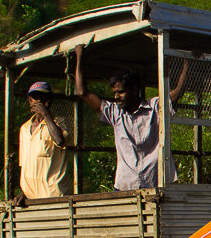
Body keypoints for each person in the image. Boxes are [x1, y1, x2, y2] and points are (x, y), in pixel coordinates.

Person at [73, 44, 190, 191]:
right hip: (125, 186)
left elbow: (178, 92)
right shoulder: (114, 113)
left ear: (134, 90)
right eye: (115, 93)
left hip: (157, 185)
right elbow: (82, 92)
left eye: (121, 92)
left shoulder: (154, 108)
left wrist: (187, 60)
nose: (116, 97)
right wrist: (79, 56)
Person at [17, 81, 70, 201]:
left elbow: (60, 141)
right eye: (35, 98)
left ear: (49, 101)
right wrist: (24, 192)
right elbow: (25, 165)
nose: (39, 101)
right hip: (30, 197)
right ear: (30, 101)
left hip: (52, 196)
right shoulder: (24, 129)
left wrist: (46, 114)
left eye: (42, 97)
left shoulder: (59, 123)